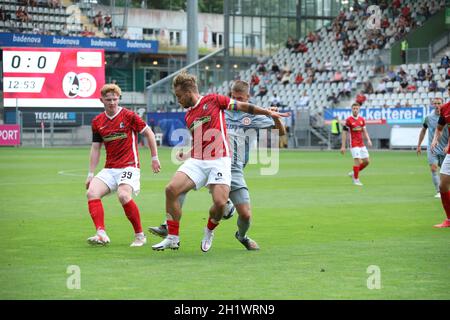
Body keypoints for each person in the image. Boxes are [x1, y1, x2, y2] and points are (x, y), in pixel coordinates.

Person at [151, 70, 289, 252]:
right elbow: (203, 139)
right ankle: (170, 229)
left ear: (248, 97)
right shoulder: (218, 109)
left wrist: (273, 116)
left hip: (233, 168)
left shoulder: (251, 117)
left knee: (244, 214)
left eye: (240, 97)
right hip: (206, 160)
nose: (236, 99)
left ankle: (241, 235)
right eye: (233, 96)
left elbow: (281, 135)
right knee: (175, 189)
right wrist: (189, 153)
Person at [85, 84, 161, 246]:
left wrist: (154, 157)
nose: (112, 102)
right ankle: (101, 233)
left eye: (115, 99)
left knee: (123, 195)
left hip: (129, 166)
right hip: (110, 168)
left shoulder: (129, 116)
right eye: (108, 100)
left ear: (119, 99)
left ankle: (140, 236)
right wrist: (91, 173)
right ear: (101, 100)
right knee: (92, 192)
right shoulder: (97, 121)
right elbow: (96, 147)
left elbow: (149, 133)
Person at [417, 98, 448, 198]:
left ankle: (445, 190)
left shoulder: (447, 116)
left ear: (442, 104)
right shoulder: (428, 118)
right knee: (434, 168)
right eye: (435, 103)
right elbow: (423, 131)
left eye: (439, 103)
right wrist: (419, 145)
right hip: (433, 148)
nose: (437, 105)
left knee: (445, 172)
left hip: (445, 148)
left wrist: (448, 145)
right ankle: (439, 191)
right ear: (432, 105)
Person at [340, 103, 372, 186]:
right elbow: (344, 133)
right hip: (353, 144)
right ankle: (356, 180)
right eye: (353, 108)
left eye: (356, 108)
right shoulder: (348, 120)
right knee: (357, 161)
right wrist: (343, 146)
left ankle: (353, 173)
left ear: (359, 110)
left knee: (367, 161)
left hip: (361, 143)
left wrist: (368, 140)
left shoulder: (361, 119)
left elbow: (364, 131)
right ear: (351, 109)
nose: (355, 110)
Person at [430, 97, 450, 228]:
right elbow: (439, 128)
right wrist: (435, 139)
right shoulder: (445, 108)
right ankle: (449, 219)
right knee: (443, 185)